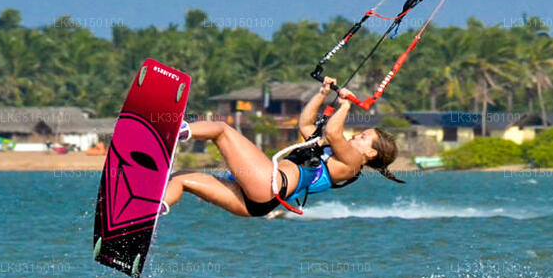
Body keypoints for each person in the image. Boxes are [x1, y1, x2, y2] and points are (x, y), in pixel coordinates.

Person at [162, 77, 400, 217]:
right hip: (255, 203)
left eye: (363, 137)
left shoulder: (351, 163)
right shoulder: (328, 151)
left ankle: (169, 132)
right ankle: (151, 212)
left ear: (370, 153)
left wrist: (345, 106)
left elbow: (333, 132)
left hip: (268, 185)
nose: (357, 136)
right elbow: (305, 124)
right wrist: (321, 94)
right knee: (181, 178)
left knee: (222, 130)